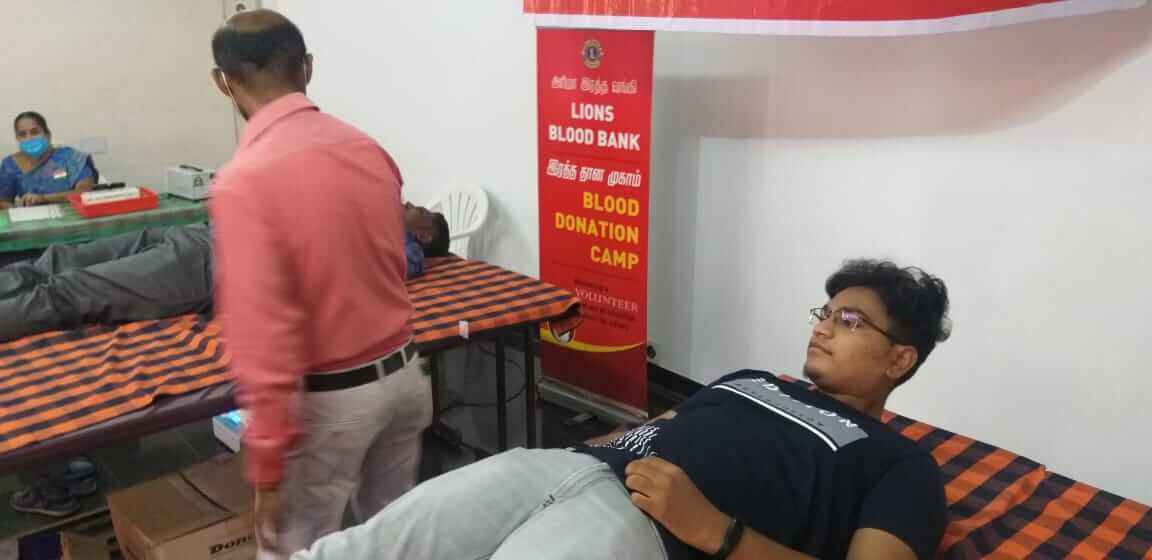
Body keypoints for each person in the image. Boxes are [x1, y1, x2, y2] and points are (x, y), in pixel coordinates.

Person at [289, 259, 952, 560]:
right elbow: (664, 426)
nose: (823, 327)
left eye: (850, 321)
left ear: (900, 359)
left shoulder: (900, 465)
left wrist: (718, 532)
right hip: (554, 469)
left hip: (647, 530)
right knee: (357, 550)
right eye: (825, 313)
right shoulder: (753, 379)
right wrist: (593, 451)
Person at [208, 10, 434, 559]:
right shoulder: (367, 147)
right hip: (405, 378)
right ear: (306, 68)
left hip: (334, 403)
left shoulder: (245, 180)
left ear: (223, 82)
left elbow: (264, 334)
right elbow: (389, 258)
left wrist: (266, 464)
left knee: (294, 549)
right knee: (392, 541)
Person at [0, 205, 448, 343]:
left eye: (416, 209)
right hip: (198, 236)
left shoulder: (399, 252)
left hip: (203, 269)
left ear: (424, 233)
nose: (406, 202)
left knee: (66, 292)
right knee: (58, 259)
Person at [0, 111, 97, 208]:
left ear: (47, 134)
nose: (29, 138)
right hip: (33, 216)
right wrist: (18, 213)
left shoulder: (69, 157)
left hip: (73, 212)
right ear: (17, 138)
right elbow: (3, 201)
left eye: (35, 132)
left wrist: (43, 198)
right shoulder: (10, 165)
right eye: (22, 134)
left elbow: (85, 192)